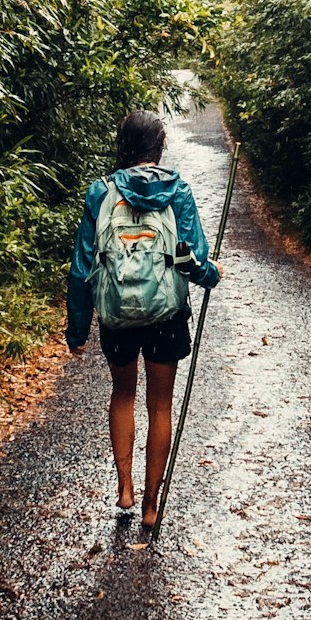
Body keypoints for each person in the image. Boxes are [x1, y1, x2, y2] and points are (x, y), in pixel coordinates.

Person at [66, 110, 220, 530]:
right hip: (165, 314)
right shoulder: (178, 192)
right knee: (160, 404)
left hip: (116, 313)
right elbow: (194, 259)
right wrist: (211, 275)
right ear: (161, 145)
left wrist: (77, 328)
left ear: (123, 145)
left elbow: (82, 268)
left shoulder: (100, 193)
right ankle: (152, 503)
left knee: (123, 396)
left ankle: (125, 489)